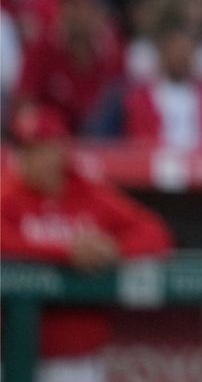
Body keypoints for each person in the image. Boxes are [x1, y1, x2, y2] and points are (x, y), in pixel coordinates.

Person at [0, 104, 173, 382]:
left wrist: (113, 251)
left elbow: (155, 233)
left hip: (75, 358)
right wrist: (67, 253)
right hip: (11, 354)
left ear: (61, 150)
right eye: (27, 151)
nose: (34, 159)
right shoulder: (7, 192)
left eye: (42, 148)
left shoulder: (89, 193)